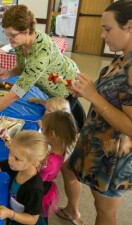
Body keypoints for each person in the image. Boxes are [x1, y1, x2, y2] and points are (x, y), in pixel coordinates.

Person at [59, 1, 132, 225]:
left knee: (104, 210)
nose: (102, 35)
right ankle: (72, 210)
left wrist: (93, 95)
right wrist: (85, 92)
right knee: (68, 167)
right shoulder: (122, 58)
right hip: (95, 143)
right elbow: (111, 98)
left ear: (129, 26)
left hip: (113, 157)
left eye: (108, 29)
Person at [0, 4, 85, 133]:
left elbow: (15, 94)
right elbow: (23, 66)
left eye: (12, 35)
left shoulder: (41, 52)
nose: (7, 38)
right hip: (51, 85)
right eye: (6, 33)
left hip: (65, 86)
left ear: (26, 31)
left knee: (67, 124)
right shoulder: (20, 41)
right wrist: (10, 72)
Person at [0, 130, 49, 225]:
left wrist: (11, 214)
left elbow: (33, 219)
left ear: (34, 163)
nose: (10, 159)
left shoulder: (34, 188)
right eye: (10, 152)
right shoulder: (15, 166)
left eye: (16, 158)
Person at [40, 111, 78, 225]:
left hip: (40, 190)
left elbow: (35, 179)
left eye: (43, 130)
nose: (41, 132)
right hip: (47, 186)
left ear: (52, 134)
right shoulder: (60, 148)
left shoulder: (49, 162)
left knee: (38, 216)